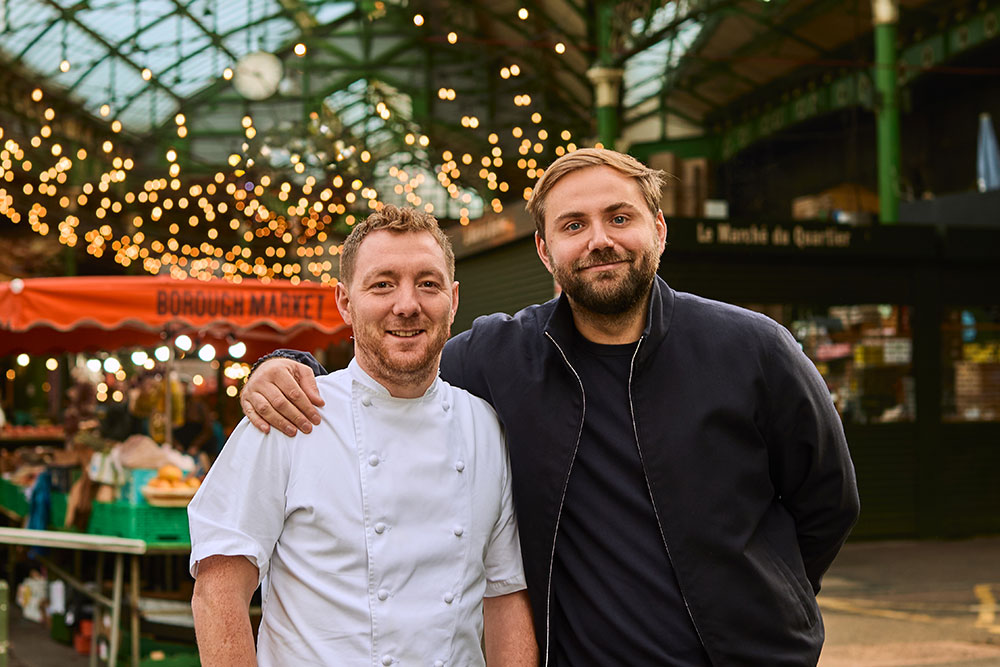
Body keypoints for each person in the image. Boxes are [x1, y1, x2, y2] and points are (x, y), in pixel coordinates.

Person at [242, 149, 861, 665]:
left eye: (619, 217)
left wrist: (764, 600)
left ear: (659, 230)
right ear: (545, 251)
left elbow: (827, 501)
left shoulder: (751, 348)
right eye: (573, 225)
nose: (599, 240)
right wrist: (294, 368)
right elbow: (399, 362)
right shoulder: (500, 355)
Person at [188, 205, 536, 666]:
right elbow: (219, 588)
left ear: (453, 301)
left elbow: (505, 592)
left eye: (428, 284)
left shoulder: (485, 426)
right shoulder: (292, 415)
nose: (407, 304)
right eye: (383, 284)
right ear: (345, 302)